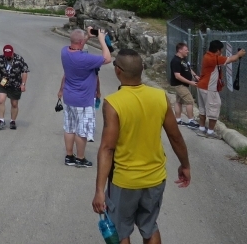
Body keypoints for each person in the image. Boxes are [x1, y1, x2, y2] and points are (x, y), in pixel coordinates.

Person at [92, 49, 191, 244]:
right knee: (150, 227)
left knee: (121, 232)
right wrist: (185, 165)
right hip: (155, 179)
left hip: (125, 181)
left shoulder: (113, 103)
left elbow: (107, 148)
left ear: (118, 71)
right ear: (142, 69)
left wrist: (99, 190)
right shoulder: (160, 96)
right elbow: (176, 137)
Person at [58, 26, 111, 167]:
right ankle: (80, 159)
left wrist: (86, 37)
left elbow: (78, 46)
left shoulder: (64, 52)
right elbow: (107, 58)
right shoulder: (85, 59)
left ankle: (69, 156)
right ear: (81, 43)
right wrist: (101, 40)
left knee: (69, 127)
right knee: (81, 131)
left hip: (69, 97)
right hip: (84, 100)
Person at [196, 39, 247, 138]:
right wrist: (239, 54)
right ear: (217, 50)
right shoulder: (212, 58)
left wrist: (236, 56)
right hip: (209, 88)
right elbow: (231, 59)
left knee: (203, 109)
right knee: (214, 108)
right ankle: (210, 132)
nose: (222, 52)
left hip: (202, 86)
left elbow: (228, 59)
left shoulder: (208, 56)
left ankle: (201, 129)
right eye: (221, 50)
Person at [0, 44, 30, 130]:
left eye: (10, 55)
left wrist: (23, 84)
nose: (8, 57)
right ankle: (1, 120)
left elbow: (24, 71)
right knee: (1, 100)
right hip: (3, 83)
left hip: (15, 83)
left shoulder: (19, 59)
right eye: (6, 55)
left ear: (13, 53)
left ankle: (12, 121)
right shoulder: (0, 59)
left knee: (14, 104)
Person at [168, 42, 199, 128]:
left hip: (183, 84)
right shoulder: (175, 61)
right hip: (179, 85)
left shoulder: (184, 59)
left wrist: (195, 76)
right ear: (180, 50)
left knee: (179, 101)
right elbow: (177, 76)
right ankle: (191, 121)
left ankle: (178, 120)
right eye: (186, 50)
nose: (187, 51)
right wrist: (191, 82)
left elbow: (189, 69)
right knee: (189, 101)